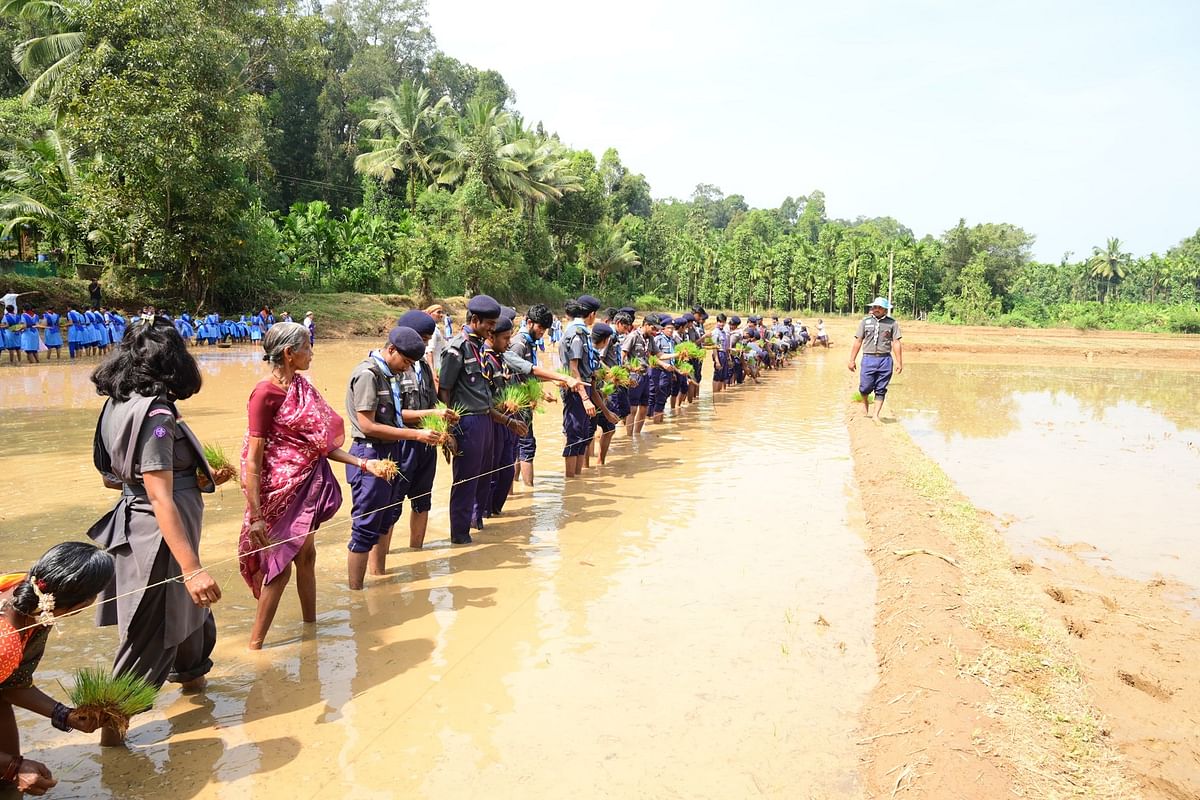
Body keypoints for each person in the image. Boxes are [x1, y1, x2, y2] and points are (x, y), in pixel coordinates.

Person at [86, 318, 222, 745]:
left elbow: (114, 476)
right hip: (161, 539)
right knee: (150, 637)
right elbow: (160, 496)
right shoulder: (158, 413)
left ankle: (197, 692)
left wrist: (191, 474)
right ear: (171, 362)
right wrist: (192, 567)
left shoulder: (117, 403)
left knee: (194, 624)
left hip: (138, 523)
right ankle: (111, 743)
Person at [240, 322, 379, 648]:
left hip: (305, 488)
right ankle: (256, 647)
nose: (312, 354)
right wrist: (257, 513)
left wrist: (363, 463)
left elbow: (321, 445)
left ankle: (310, 631)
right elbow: (253, 458)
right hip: (278, 494)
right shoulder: (264, 394)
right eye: (308, 347)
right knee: (280, 568)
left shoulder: (302, 388)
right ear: (289, 354)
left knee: (307, 557)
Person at [1, 542, 115, 792]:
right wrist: (11, 766)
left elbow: (10, 685)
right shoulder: (5, 642)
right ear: (80, 605)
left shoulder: (36, 597)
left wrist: (66, 715)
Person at [343, 326, 442, 589]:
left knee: (385, 519)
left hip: (392, 451)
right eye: (406, 362)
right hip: (372, 455)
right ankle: (357, 595)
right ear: (391, 350)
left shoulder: (390, 375)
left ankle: (379, 579)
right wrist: (414, 435)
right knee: (365, 526)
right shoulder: (368, 375)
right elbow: (367, 426)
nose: (407, 368)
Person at [438, 295, 515, 544]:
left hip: (485, 420)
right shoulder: (456, 348)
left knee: (485, 474)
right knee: (466, 480)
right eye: (489, 323)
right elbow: (445, 391)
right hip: (467, 423)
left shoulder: (478, 347)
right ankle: (460, 535)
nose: (492, 328)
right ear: (475, 320)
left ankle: (476, 523)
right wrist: (448, 430)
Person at [396, 310, 460, 549]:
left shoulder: (422, 366)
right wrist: (432, 415)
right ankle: (381, 568)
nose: (424, 345)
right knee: (391, 506)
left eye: (426, 340)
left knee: (423, 501)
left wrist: (445, 429)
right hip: (401, 443)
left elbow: (433, 402)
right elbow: (392, 414)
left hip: (427, 442)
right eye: (422, 339)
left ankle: (416, 553)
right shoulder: (390, 368)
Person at [506, 304, 579, 489]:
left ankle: (514, 490)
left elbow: (527, 376)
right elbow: (513, 379)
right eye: (540, 328)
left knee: (518, 447)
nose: (543, 332)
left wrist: (544, 388)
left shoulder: (528, 342)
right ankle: (528, 491)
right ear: (529, 322)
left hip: (525, 403)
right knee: (526, 445)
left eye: (545, 329)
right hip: (517, 405)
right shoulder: (518, 344)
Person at [559, 296, 606, 477]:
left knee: (582, 435)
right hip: (576, 390)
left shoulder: (582, 332)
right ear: (592, 314)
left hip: (583, 387)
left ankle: (577, 480)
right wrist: (585, 398)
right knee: (574, 435)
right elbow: (573, 368)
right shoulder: (577, 334)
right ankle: (571, 481)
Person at [848, 297, 904, 420]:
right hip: (868, 358)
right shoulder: (865, 322)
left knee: (881, 389)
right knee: (865, 387)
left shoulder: (892, 323)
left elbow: (896, 343)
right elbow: (858, 341)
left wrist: (899, 362)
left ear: (885, 310)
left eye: (880, 308)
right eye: (875, 307)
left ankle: (875, 415)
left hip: (885, 360)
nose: (876, 309)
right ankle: (865, 402)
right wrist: (852, 360)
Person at [622, 314, 657, 435]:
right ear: (646, 325)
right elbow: (623, 355)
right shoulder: (633, 336)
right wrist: (628, 370)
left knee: (644, 407)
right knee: (632, 408)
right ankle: (629, 437)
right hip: (634, 376)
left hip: (646, 375)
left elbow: (659, 355)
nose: (655, 331)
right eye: (653, 328)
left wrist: (678, 355)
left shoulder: (650, 338)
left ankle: (637, 434)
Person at [424, 304, 449, 388]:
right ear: (430, 314)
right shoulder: (433, 330)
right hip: (435, 368)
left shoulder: (436, 329)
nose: (441, 315)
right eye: (438, 312)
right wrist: (432, 371)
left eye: (442, 312)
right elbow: (429, 351)